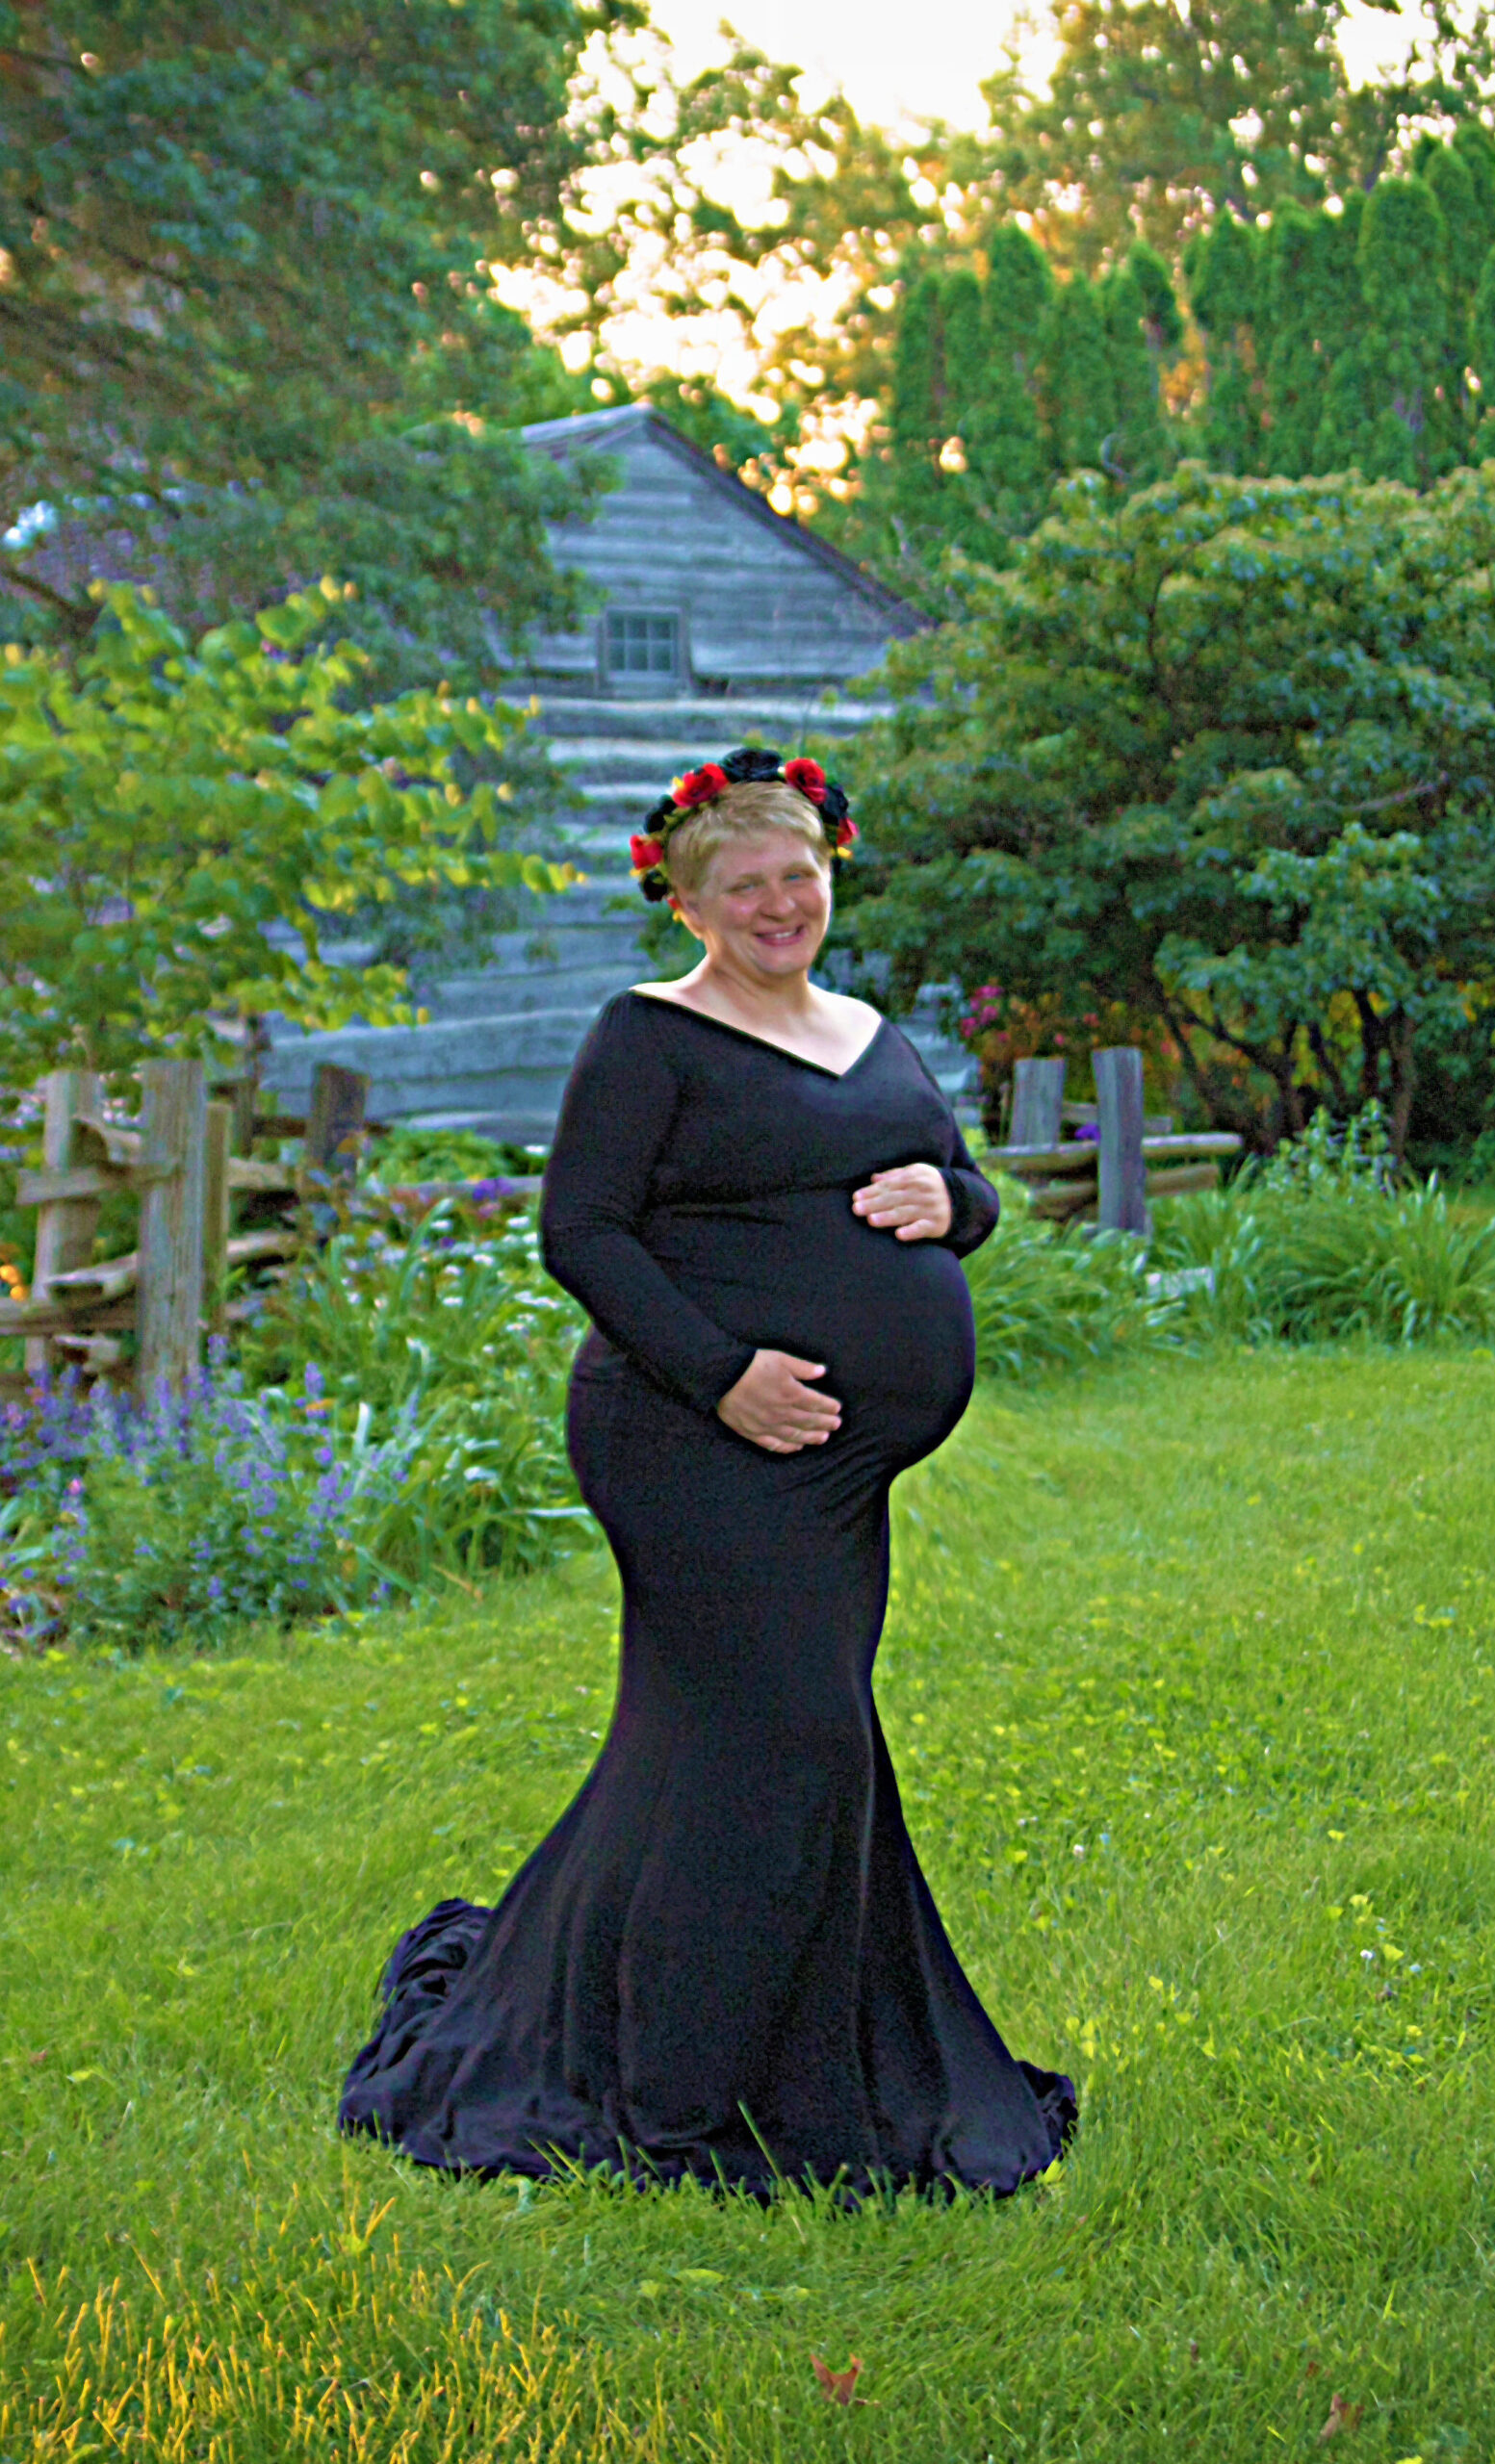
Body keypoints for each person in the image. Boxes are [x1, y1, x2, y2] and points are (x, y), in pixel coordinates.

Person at [338, 747, 1076, 2198]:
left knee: (722, 1747)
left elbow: (958, 1183)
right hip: (689, 1447)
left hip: (834, 1478)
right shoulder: (651, 1037)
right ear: (688, 904)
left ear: (829, 872)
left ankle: (728, 2032)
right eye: (743, 886)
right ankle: (685, 2082)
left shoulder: (872, 1033)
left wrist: (962, 1201)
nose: (778, 903)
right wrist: (724, 1376)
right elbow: (584, 1234)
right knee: (789, 1739)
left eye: (798, 874)